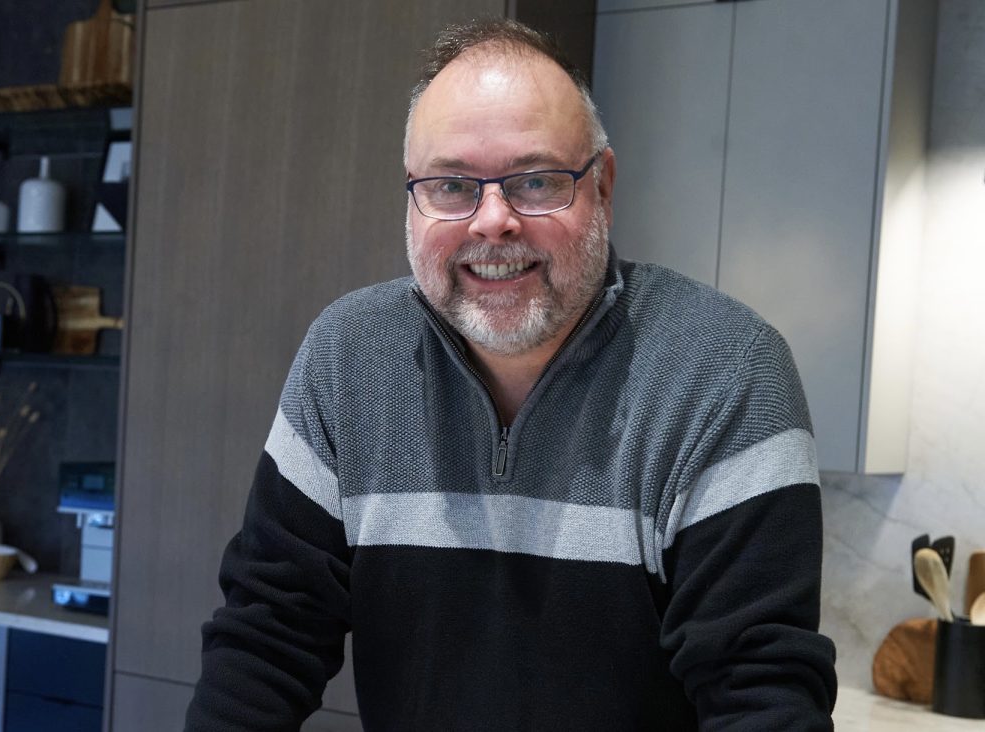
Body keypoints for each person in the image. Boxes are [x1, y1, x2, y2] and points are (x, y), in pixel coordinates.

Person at [185, 18, 837, 732]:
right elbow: (265, 637)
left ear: (604, 187)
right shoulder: (348, 356)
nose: (492, 221)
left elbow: (760, 697)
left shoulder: (725, 372)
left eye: (536, 180)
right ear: (411, 197)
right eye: (452, 186)